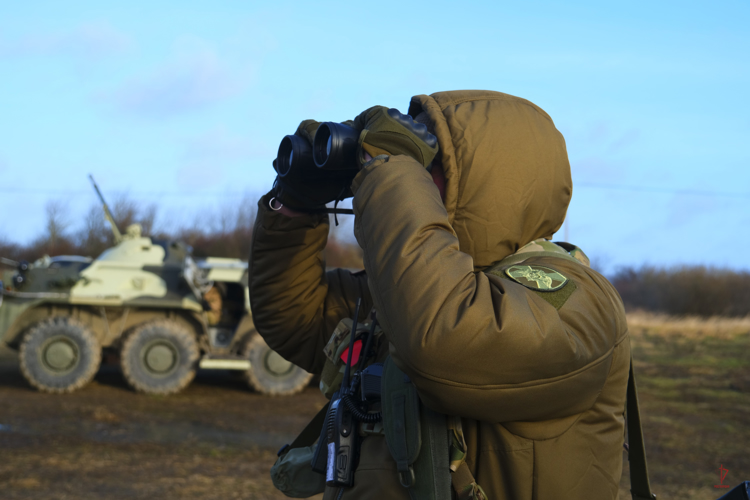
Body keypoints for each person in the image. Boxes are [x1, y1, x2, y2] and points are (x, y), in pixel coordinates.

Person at [249, 90, 629, 500]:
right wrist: (294, 204)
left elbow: (444, 343)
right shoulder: (413, 290)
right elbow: (296, 319)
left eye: (425, 164)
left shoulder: (578, 302)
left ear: (492, 182)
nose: (414, 177)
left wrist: (390, 174)